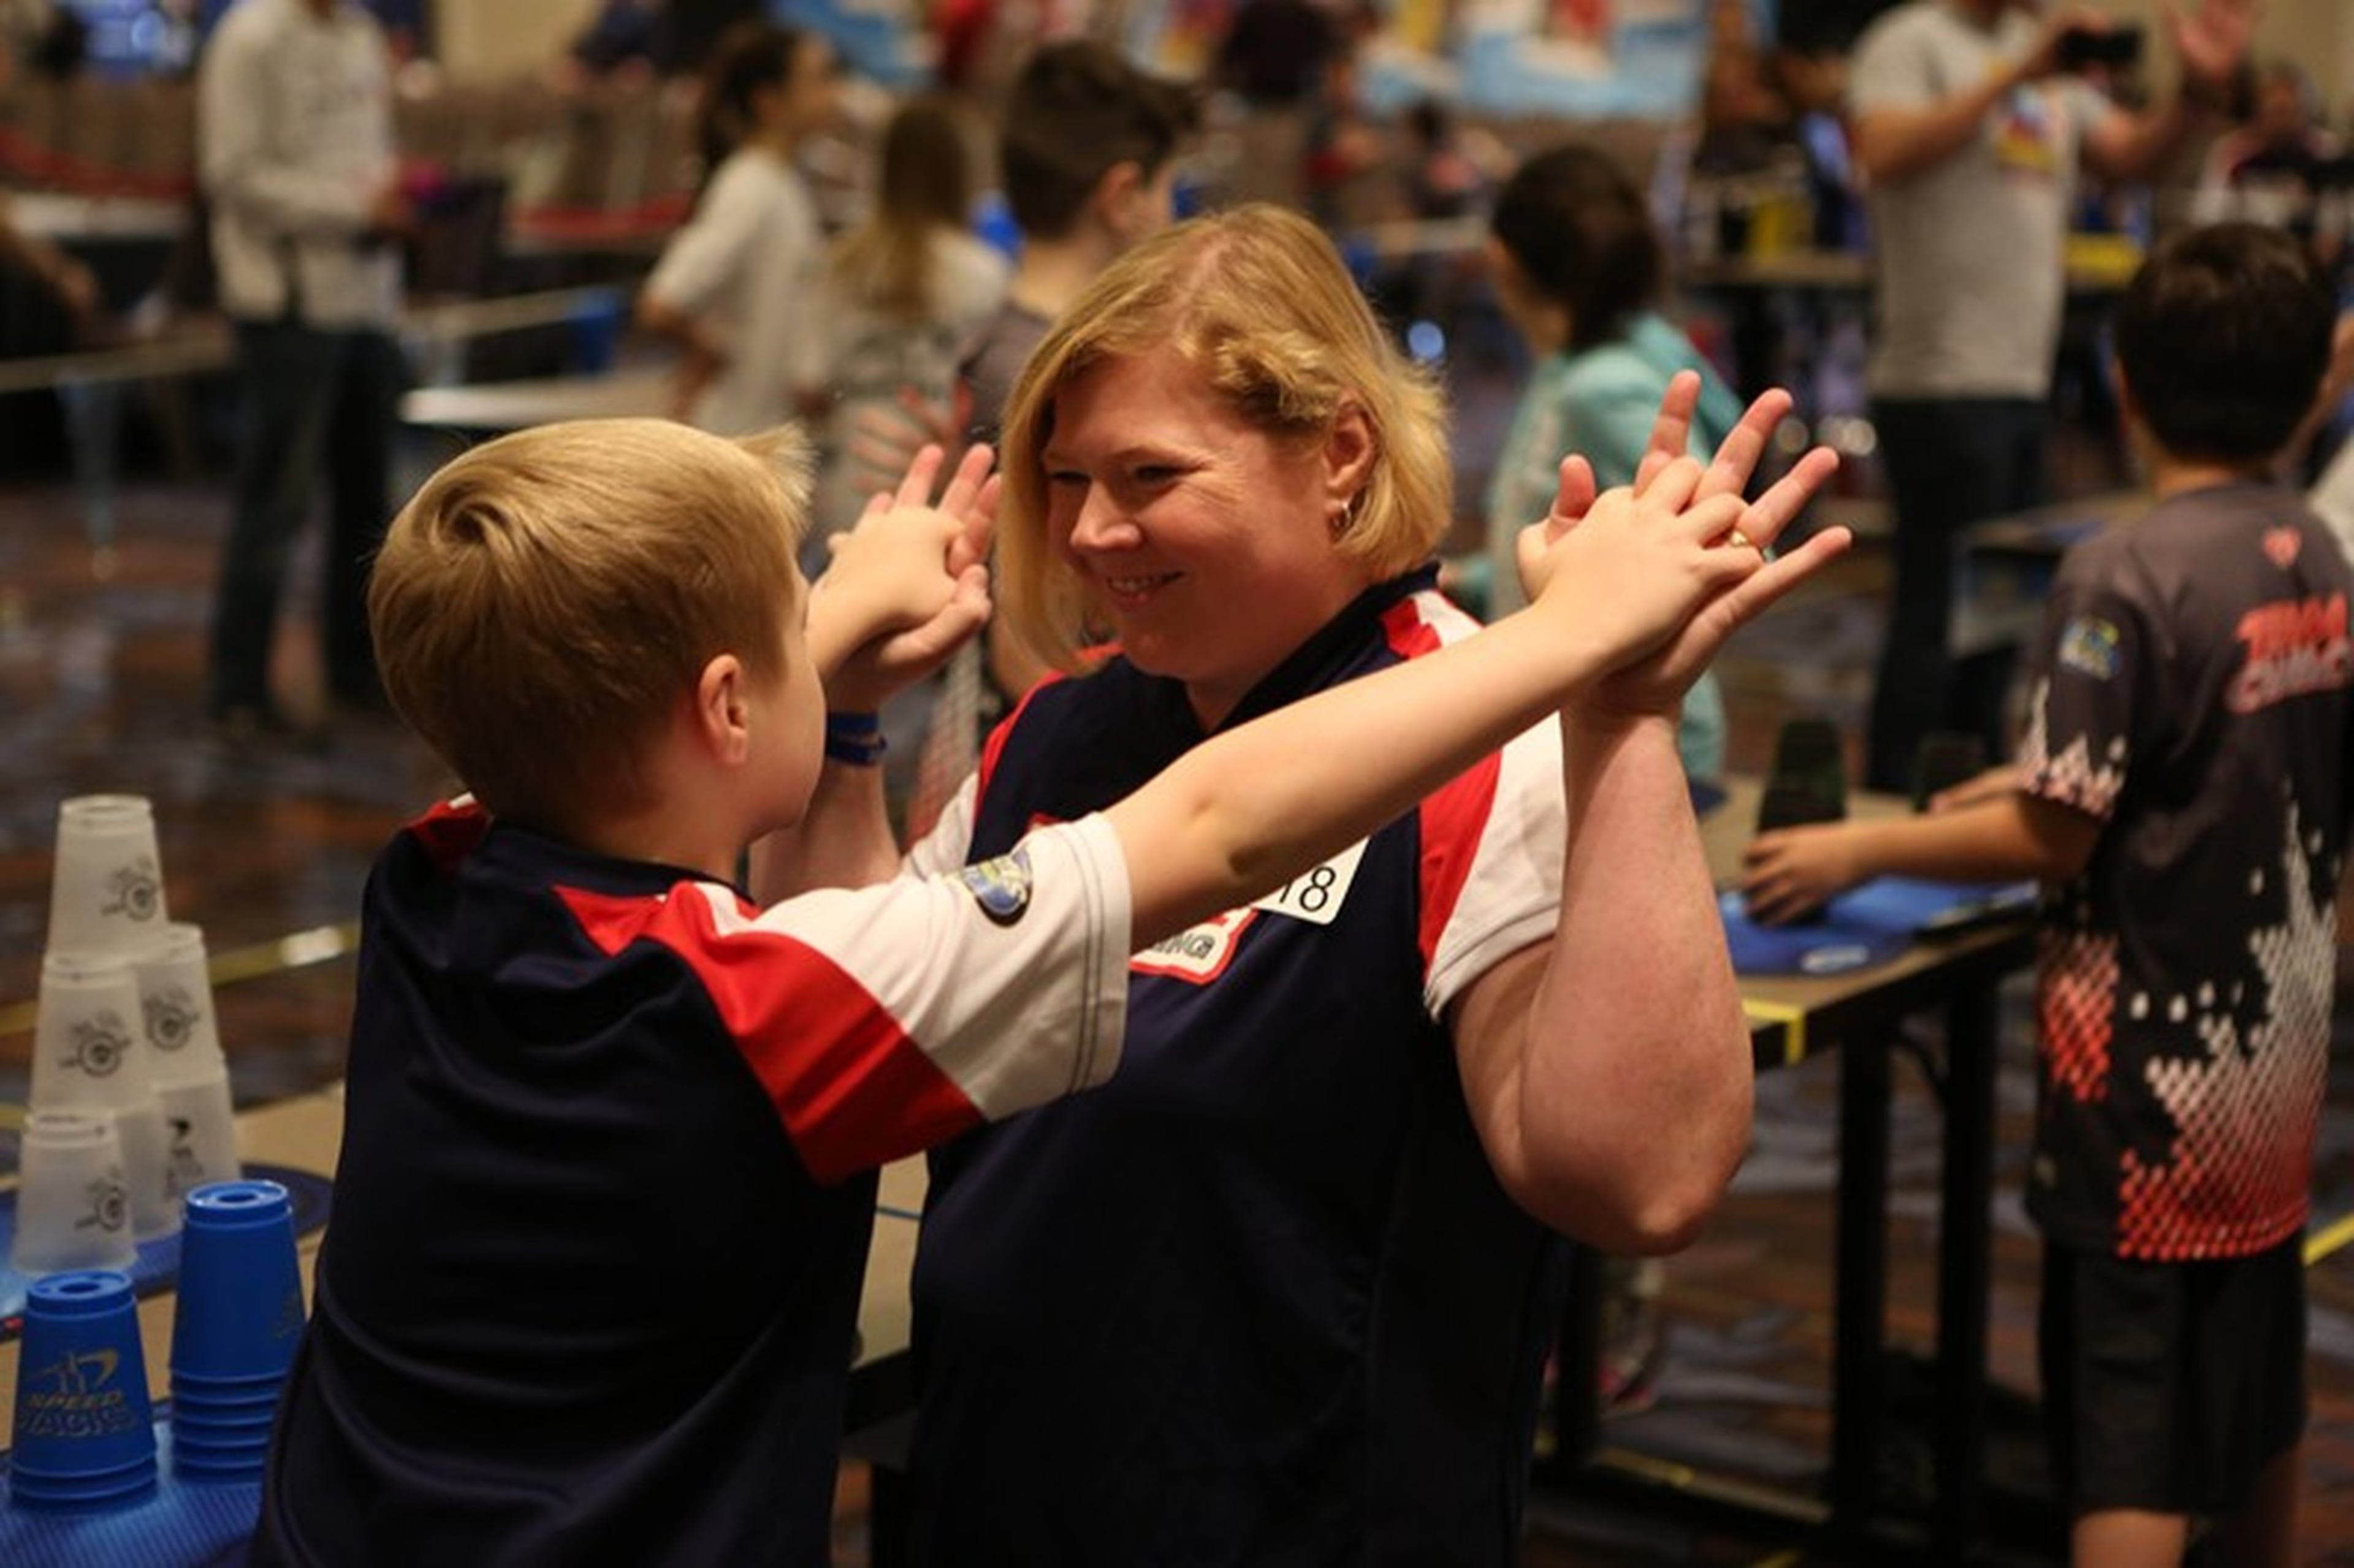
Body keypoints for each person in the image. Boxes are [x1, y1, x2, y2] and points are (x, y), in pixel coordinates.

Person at [249, 375, 1841, 1562]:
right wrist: (1569, 640)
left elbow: (569, 697)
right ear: (732, 706)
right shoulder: (768, 1001)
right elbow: (1214, 825)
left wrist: (816, 661)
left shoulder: (437, 871)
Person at [878, 204, 1844, 1564]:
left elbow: (1644, 1182)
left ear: (1338, 455)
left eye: (1150, 475)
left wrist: (1618, 707)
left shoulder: (1472, 732)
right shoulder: (1056, 729)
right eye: (1067, 477)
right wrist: (838, 729)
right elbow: (868, 1054)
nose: (1094, 532)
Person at [1743, 223, 2353, 1568]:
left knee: (2127, 1440)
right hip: (2273, 1074)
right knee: (2253, 1400)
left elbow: (2060, 834)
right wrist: (2015, 797)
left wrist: (1859, 849)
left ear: (2121, 385)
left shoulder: (2119, 575)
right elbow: (2198, 770)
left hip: (2140, 1097)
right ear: (2321, 387)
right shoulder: (2314, 551)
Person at [1848, 0, 2257, 793]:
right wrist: (2018, 73)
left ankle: (1960, 798)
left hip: (2020, 376)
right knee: (1936, 612)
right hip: (1938, 377)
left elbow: (2132, 155)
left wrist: (2199, 93)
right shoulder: (1911, 41)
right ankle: (1890, 806)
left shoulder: (2041, 62)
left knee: (1998, 617)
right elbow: (1881, 152)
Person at [1484, 140, 1746, 780]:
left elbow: (1719, 544)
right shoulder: (1576, 366)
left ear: (1506, 263)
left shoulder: (1606, 386)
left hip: (1629, 735)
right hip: (1575, 716)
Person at [196, 0, 412, 734]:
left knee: (366, 501)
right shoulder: (250, 36)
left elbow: (369, 150)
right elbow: (233, 175)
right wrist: (353, 210)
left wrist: (393, 201)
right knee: (276, 504)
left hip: (365, 300)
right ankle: (237, 689)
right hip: (285, 304)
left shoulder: (359, 31)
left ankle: (356, 671)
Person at [812, 96, 1007, 560]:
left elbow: (808, 382)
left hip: (851, 480)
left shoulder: (840, 265)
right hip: (941, 480)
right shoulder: (984, 272)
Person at [636, 20, 837, 435]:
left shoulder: (782, 183)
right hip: (734, 430)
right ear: (769, 101)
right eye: (817, 79)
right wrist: (709, 351)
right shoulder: (748, 187)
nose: (832, 94)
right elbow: (662, 304)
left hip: (763, 428)